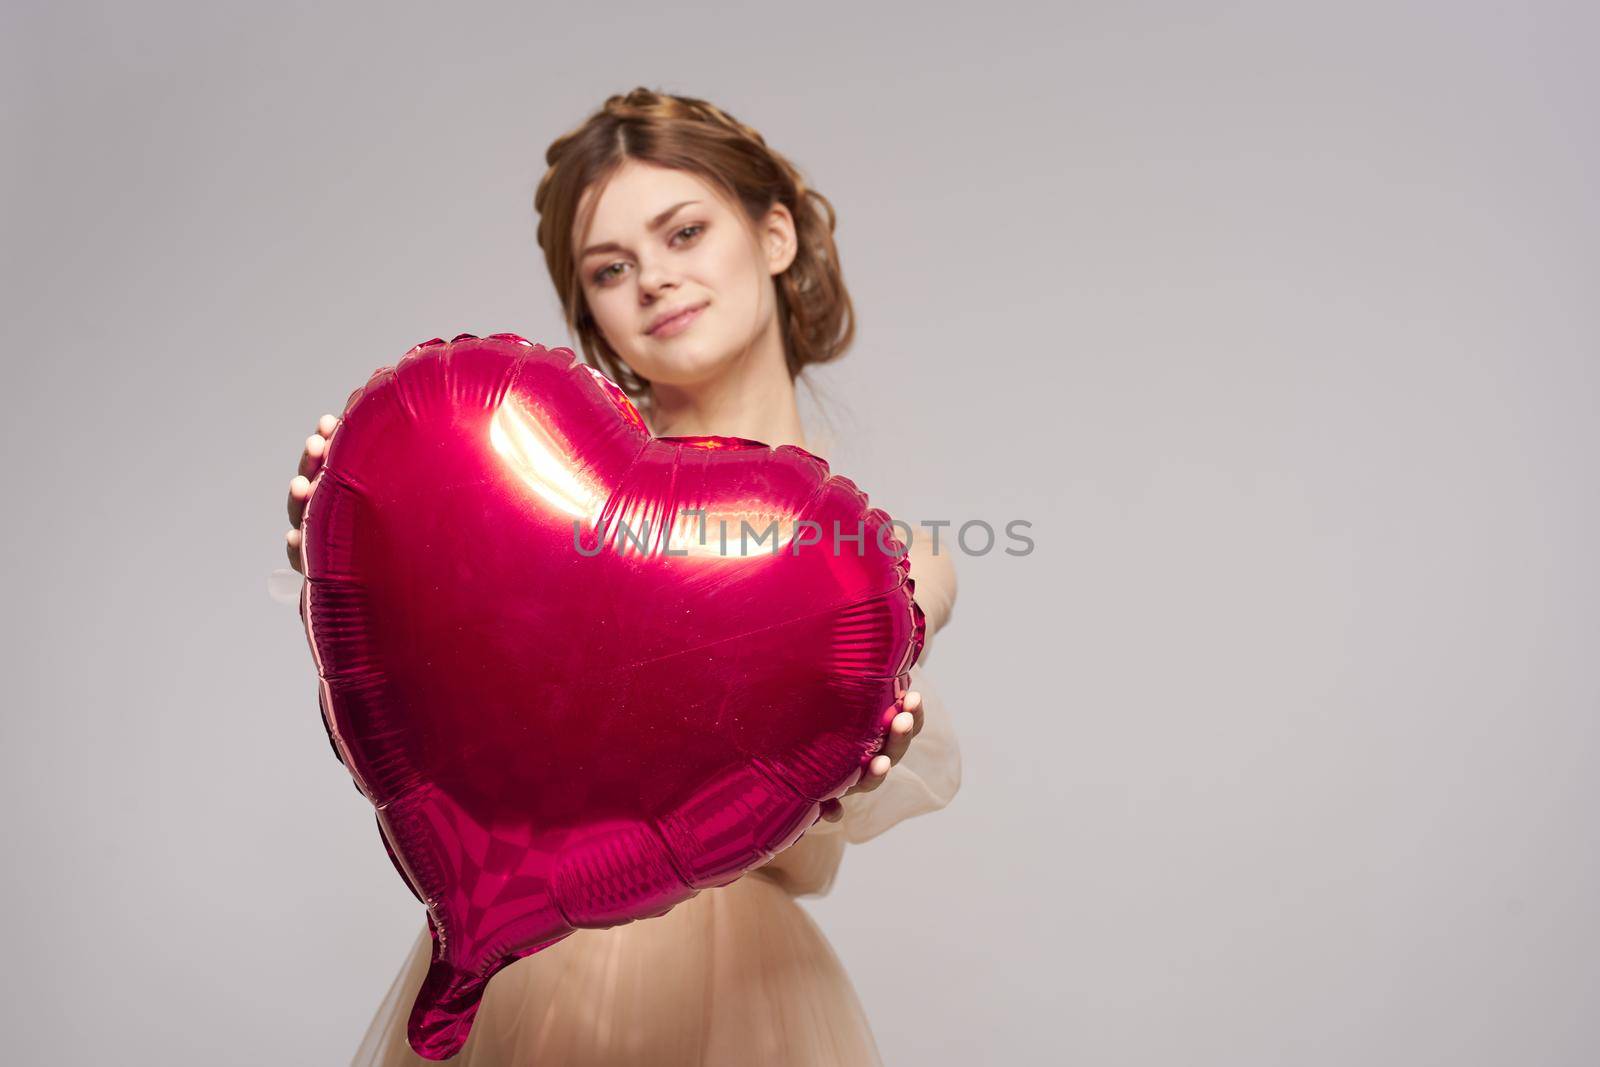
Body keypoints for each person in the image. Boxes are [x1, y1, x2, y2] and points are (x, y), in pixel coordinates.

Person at [282, 87, 962, 1066]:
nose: (653, 279)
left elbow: (809, 798)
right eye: (611, 267)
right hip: (519, 991)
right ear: (590, 305)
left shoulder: (890, 564)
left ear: (775, 235)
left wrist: (856, 752)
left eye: (685, 231)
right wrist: (364, 555)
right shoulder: (498, 501)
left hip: (736, 1011)